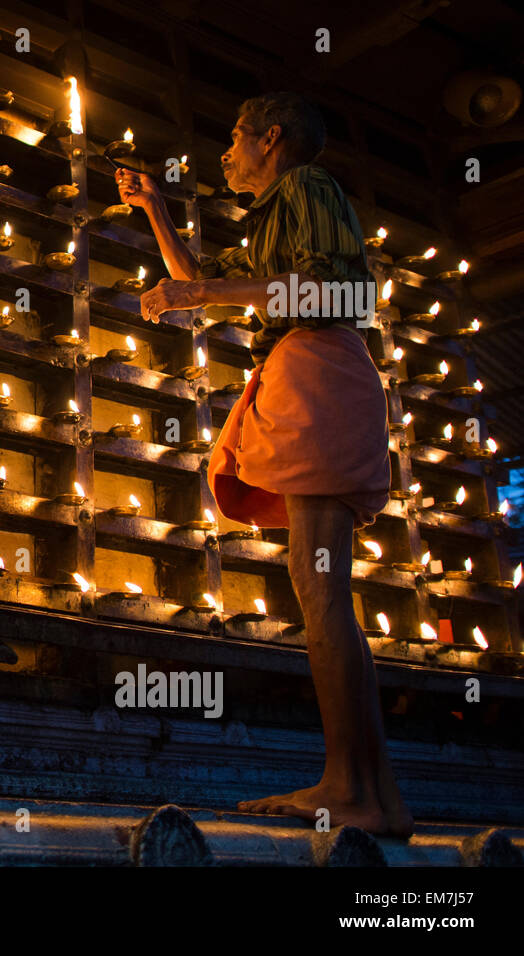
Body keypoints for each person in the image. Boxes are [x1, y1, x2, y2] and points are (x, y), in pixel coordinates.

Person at [115, 91, 413, 838]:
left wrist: (203, 290)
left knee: (320, 592)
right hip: (305, 372)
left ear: (271, 139)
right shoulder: (272, 220)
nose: (225, 153)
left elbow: (335, 289)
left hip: (317, 370)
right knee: (323, 593)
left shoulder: (308, 188)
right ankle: (373, 792)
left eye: (236, 138)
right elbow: (204, 288)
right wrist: (154, 209)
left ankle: (351, 787)